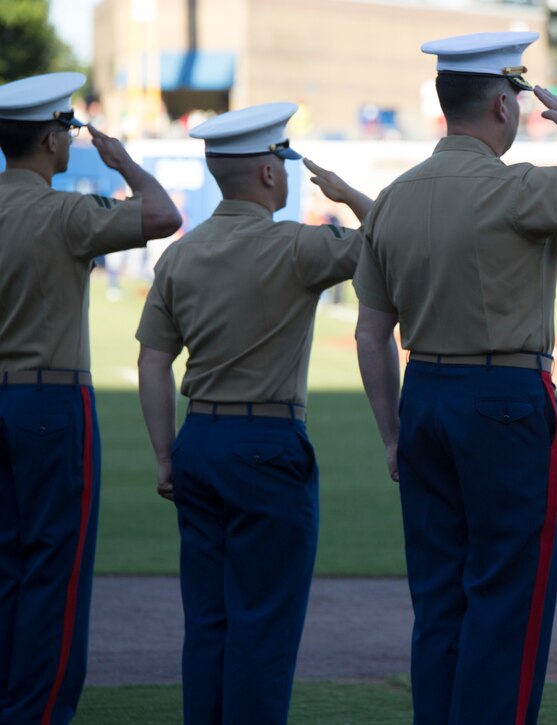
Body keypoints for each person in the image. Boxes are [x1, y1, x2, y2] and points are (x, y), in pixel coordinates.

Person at [353, 31, 557, 725]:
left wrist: (391, 434)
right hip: (502, 401)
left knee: (440, 599)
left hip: (424, 399)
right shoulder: (517, 186)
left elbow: (371, 333)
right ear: (503, 104)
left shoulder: (393, 200)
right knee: (508, 598)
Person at [134, 102, 372, 724]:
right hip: (266, 444)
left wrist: (166, 455)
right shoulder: (295, 246)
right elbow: (391, 241)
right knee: (262, 629)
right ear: (270, 174)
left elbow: (153, 363)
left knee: (208, 625)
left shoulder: (179, 257)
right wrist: (349, 196)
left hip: (198, 443)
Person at [0, 72, 181, 723]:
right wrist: (124, 160)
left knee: (7, 568)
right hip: (49, 402)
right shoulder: (63, 210)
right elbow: (164, 214)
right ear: (53, 139)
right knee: (56, 571)